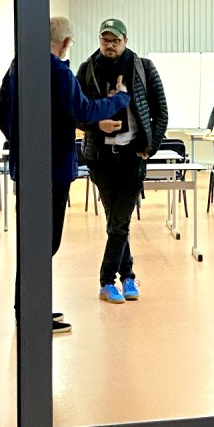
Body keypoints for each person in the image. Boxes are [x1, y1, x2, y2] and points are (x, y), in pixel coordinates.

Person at [0, 16, 131, 334]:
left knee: (32, 242)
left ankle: (28, 308)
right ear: (66, 42)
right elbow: (86, 111)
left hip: (26, 170)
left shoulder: (18, 67)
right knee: (45, 243)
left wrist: (22, 142)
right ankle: (33, 313)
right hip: (53, 172)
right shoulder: (59, 72)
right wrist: (119, 99)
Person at [76, 18, 168, 304]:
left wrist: (149, 147)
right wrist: (95, 126)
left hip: (132, 155)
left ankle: (106, 281)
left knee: (119, 222)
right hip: (101, 157)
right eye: (105, 39)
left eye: (115, 40)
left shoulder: (143, 67)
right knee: (116, 221)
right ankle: (128, 275)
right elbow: (74, 112)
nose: (110, 45)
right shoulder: (87, 68)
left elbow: (161, 110)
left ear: (125, 40)